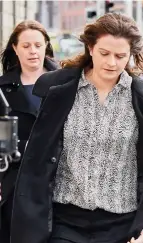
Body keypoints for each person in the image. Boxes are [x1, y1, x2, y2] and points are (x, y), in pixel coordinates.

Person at [10, 13, 143, 243]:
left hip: (121, 225)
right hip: (65, 222)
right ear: (90, 48)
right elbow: (36, 160)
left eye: (120, 56)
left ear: (131, 55)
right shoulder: (60, 91)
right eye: (104, 53)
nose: (111, 63)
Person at [0, 20, 58, 243]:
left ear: (46, 46)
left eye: (37, 44)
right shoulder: (3, 89)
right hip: (14, 182)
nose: (33, 51)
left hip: (58, 181)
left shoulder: (67, 83)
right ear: (15, 48)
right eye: (26, 46)